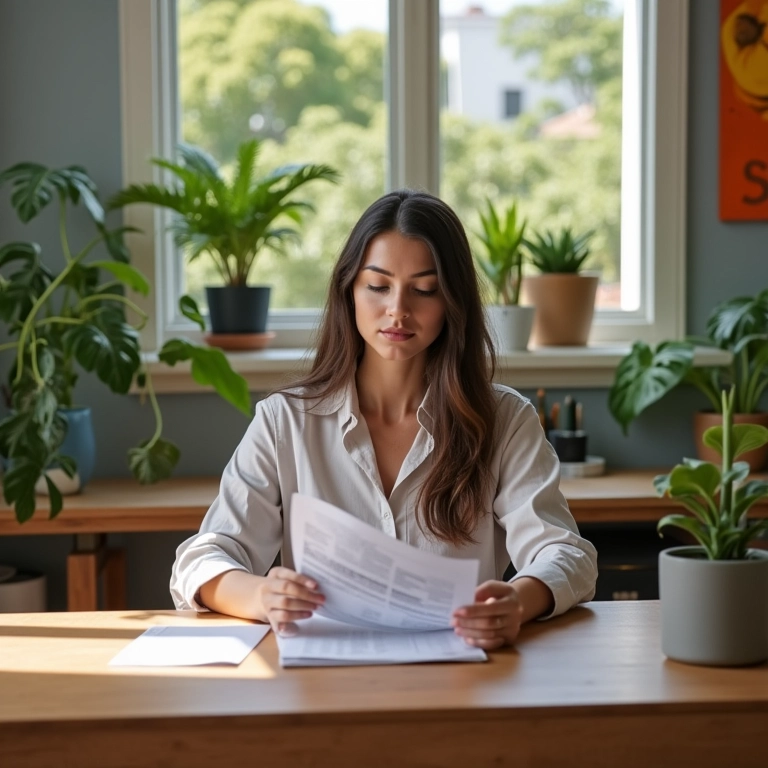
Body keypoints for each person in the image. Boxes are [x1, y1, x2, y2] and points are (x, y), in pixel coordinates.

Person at [171, 189, 597, 650]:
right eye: (377, 286)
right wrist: (260, 595)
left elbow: (566, 554)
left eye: (425, 289)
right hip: (322, 686)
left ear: (453, 302)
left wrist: (517, 601)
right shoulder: (285, 421)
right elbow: (202, 558)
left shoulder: (505, 419)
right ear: (349, 291)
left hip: (463, 685)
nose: (398, 310)